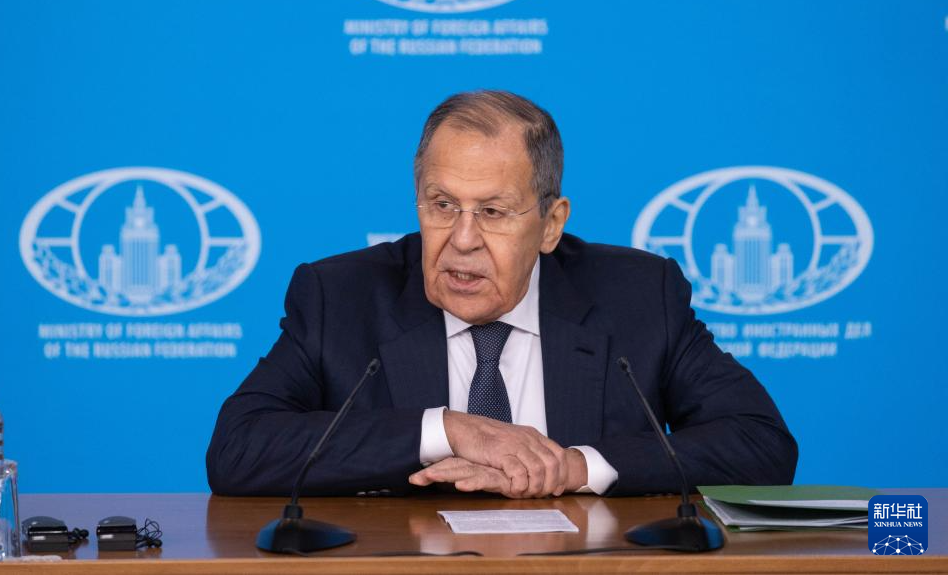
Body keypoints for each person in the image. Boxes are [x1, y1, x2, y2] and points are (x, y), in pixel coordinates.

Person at [206, 90, 797, 498]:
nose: (462, 240)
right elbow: (237, 450)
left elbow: (761, 443)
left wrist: (576, 467)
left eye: (492, 212)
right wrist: (447, 430)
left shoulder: (638, 296)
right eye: (443, 205)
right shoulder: (341, 296)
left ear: (550, 224)